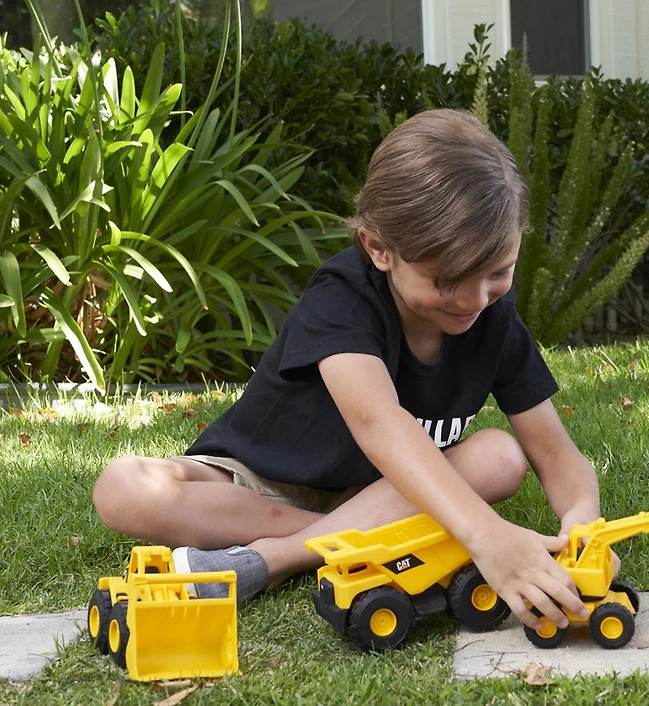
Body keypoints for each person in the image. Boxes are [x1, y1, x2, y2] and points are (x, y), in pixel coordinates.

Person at [93, 108, 601, 632]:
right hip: (260, 487)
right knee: (123, 487)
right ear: (379, 248)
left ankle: (277, 557)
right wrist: (486, 535)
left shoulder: (494, 318)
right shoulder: (343, 297)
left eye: (498, 272)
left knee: (500, 456)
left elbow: (553, 450)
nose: (476, 299)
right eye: (448, 280)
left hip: (389, 492)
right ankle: (348, 541)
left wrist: (584, 524)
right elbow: (379, 423)